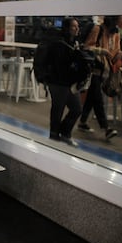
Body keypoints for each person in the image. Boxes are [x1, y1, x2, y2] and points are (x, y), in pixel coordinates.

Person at [77, 16, 122, 140]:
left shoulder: (116, 33)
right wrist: (102, 51)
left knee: (92, 98)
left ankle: (82, 122)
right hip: (93, 69)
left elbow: (116, 50)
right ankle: (106, 128)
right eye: (120, 18)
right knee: (97, 98)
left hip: (105, 70)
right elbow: (86, 47)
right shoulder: (98, 29)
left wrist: (118, 55)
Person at [47, 17, 84, 147]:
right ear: (67, 28)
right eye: (74, 26)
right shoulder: (59, 43)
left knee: (77, 108)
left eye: (77, 26)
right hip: (57, 82)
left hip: (69, 82)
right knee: (58, 109)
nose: (77, 29)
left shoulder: (74, 42)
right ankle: (54, 136)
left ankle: (63, 132)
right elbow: (59, 65)